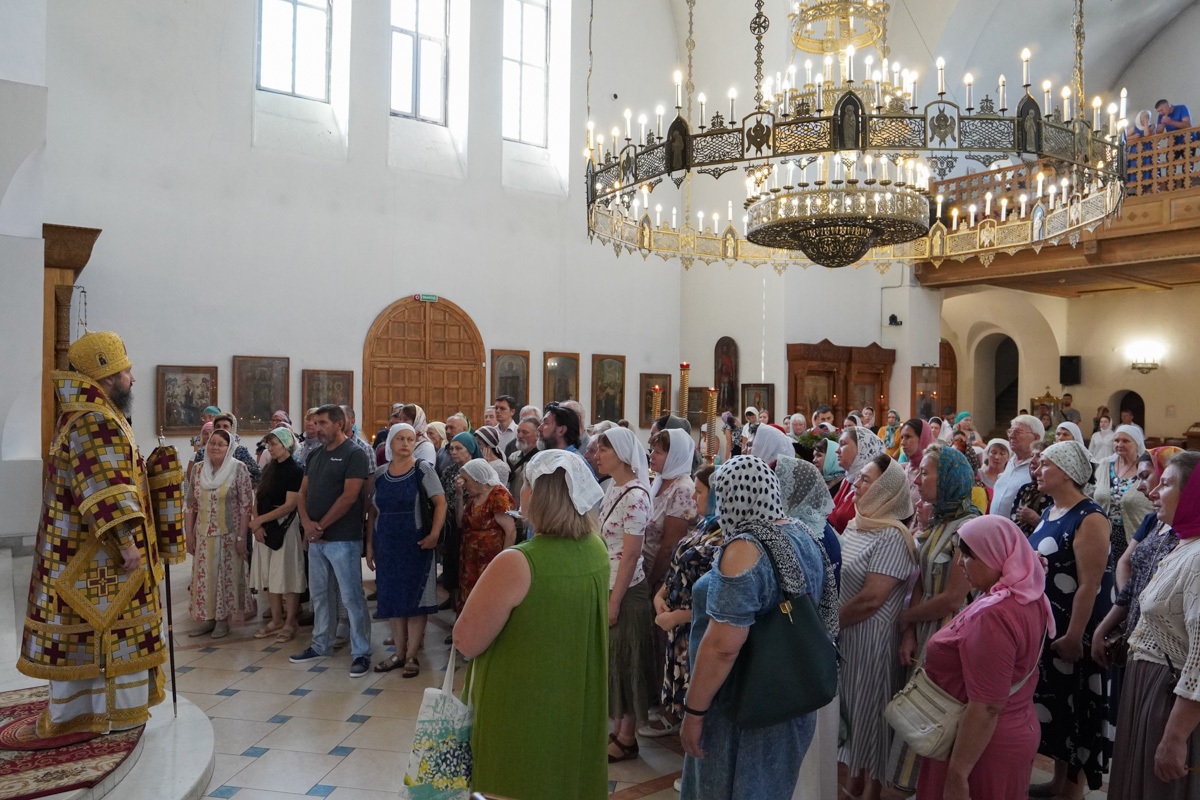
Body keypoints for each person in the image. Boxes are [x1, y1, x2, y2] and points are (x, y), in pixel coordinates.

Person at [18, 330, 182, 737]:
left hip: (79, 550)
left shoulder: (83, 414)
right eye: (127, 371)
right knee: (109, 629)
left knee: (90, 631)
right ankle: (108, 713)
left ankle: (82, 710)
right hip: (98, 554)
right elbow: (104, 489)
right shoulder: (96, 420)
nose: (133, 378)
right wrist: (126, 544)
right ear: (107, 376)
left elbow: (115, 477)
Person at [679, 455, 837, 800]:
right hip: (790, 697)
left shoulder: (745, 549)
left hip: (745, 705)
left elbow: (723, 647)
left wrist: (694, 712)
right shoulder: (802, 533)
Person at [456, 450, 608, 800]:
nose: (519, 491)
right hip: (573, 699)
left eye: (525, 483)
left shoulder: (518, 562)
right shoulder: (596, 548)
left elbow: (466, 640)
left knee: (513, 782)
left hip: (522, 704)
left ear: (539, 496)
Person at [914, 516, 1054, 800]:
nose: (959, 563)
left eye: (969, 555)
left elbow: (987, 705)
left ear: (996, 557)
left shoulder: (995, 615)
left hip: (980, 747)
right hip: (1009, 729)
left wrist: (957, 773)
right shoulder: (1027, 593)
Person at [1108, 450, 1200, 799]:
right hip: (1148, 685)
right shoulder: (1182, 544)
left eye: (1166, 484)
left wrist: (1175, 737)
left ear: (1193, 494)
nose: (1154, 492)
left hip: (1170, 695)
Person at [891, 444, 979, 791]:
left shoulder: (968, 526)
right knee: (913, 713)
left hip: (947, 631)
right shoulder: (942, 519)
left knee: (931, 716)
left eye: (926, 473)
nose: (917, 479)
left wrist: (906, 616)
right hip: (924, 627)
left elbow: (953, 598)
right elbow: (921, 578)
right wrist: (909, 629)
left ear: (947, 479)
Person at [1028, 440, 1114, 797]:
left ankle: (1072, 790)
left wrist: (1075, 636)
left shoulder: (1089, 517)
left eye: (1045, 464)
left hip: (1076, 627)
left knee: (1077, 706)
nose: (1037, 470)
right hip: (1051, 625)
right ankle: (1058, 779)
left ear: (1066, 472)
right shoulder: (1051, 510)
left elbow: (1090, 584)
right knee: (1058, 704)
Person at [838, 454, 918, 800]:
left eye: (866, 480)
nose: (857, 484)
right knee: (852, 712)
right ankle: (853, 782)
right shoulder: (857, 524)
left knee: (870, 715)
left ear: (886, 490)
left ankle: (870, 789)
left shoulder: (892, 536)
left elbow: (872, 598)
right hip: (847, 634)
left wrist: (830, 622)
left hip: (872, 639)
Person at [776, 455, 844, 800]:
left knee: (802, 756)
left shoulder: (803, 535)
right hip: (816, 650)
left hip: (804, 653)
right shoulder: (817, 529)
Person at [290, 404, 373, 678]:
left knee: (351, 597)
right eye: (315, 423)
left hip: (343, 538)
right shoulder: (315, 454)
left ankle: (361, 652)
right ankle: (320, 644)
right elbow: (302, 493)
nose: (317, 428)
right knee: (320, 595)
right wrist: (306, 523)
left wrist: (320, 526)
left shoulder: (354, 453)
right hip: (316, 539)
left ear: (339, 424)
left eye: (323, 423)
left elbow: (350, 497)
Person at [642, 466, 724, 738]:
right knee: (677, 674)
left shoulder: (727, 534)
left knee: (694, 684)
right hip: (677, 619)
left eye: (699, 492)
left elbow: (718, 596)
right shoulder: (705, 523)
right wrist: (660, 594)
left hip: (695, 622)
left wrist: (677, 616)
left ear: (718, 495)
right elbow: (681, 563)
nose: (693, 497)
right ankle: (674, 717)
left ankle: (690, 740)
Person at [594, 428, 656, 763]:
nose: (597, 456)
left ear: (620, 453)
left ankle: (628, 738)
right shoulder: (614, 487)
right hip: (611, 583)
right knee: (616, 659)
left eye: (603, 450)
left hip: (627, 589)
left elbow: (632, 554)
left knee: (630, 659)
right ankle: (618, 728)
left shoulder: (635, 495)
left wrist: (614, 601)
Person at [365, 423, 447, 676]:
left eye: (410, 439)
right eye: (400, 439)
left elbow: (440, 502)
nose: (405, 444)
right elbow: (373, 511)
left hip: (416, 544)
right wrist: (370, 545)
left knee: (415, 600)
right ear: (390, 442)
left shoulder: (422, 469)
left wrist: (434, 534)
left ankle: (412, 655)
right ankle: (398, 653)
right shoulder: (381, 473)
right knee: (393, 598)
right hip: (387, 545)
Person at [1093, 447, 1183, 670]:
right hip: (1138, 634)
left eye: (1145, 476)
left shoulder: (1186, 533)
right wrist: (1106, 625)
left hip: (1164, 649)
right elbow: (1131, 572)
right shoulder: (1155, 521)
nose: (1141, 486)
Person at [186, 428, 256, 638]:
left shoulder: (238, 468)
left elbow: (246, 506)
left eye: (220, 444)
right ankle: (207, 618)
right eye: (212, 443)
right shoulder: (198, 469)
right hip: (203, 535)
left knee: (224, 579)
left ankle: (222, 620)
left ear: (229, 447)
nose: (215, 447)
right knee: (205, 579)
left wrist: (242, 537)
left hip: (228, 536)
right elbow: (190, 505)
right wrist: (189, 535)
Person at [248, 426, 306, 643]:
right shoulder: (269, 468)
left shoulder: (296, 470)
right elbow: (258, 498)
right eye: (269, 444)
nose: (270, 448)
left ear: (286, 445)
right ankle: (276, 619)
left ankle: (290, 621)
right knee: (269, 575)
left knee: (286, 574)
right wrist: (257, 526)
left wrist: (260, 520)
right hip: (264, 526)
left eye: (274, 444)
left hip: (283, 527)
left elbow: (290, 505)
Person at [455, 459, 516, 612]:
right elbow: (460, 523)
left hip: (489, 559)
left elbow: (510, 532)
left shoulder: (498, 496)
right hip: (470, 558)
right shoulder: (472, 496)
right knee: (469, 597)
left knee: (487, 597)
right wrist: (459, 495)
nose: (463, 484)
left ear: (478, 479)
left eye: (466, 480)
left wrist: (503, 563)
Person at [645, 429, 698, 588]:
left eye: (658, 452)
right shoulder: (660, 480)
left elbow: (670, 546)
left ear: (675, 456)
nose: (651, 456)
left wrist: (649, 583)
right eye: (652, 450)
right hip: (645, 568)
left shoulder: (682, 490)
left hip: (662, 579)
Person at [1094, 424, 1147, 565]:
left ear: (1137, 444)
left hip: (1134, 537)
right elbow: (1090, 493)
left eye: (1125, 441)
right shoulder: (1104, 465)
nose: (1119, 444)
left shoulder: (1146, 469)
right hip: (1103, 535)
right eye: (1116, 440)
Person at [829, 426, 887, 534]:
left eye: (843, 444)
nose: (837, 450)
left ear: (861, 449)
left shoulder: (871, 484)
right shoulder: (847, 479)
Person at [990, 414, 1045, 519]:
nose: (1011, 436)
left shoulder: (1040, 467)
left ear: (1036, 438)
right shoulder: (1010, 461)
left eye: (1018, 432)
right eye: (1010, 431)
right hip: (996, 526)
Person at [1009, 439, 1053, 536]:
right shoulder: (1026, 489)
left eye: (1039, 456)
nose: (1032, 461)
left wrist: (1036, 520)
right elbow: (1013, 520)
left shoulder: (1054, 493)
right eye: (1031, 456)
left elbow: (1056, 530)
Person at [899, 418, 936, 533]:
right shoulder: (902, 469)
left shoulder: (933, 474)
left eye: (908, 437)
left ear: (923, 438)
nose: (903, 442)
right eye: (902, 437)